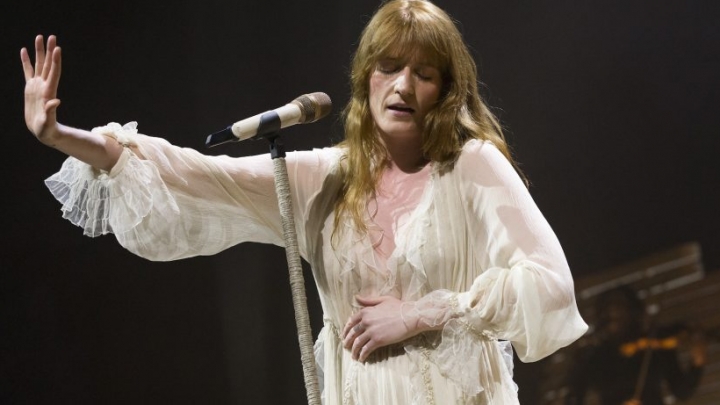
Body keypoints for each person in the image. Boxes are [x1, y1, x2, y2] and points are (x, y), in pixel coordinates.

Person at [20, 0, 588, 403]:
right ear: (366, 78)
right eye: (389, 67)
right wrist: (61, 136)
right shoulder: (323, 177)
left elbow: (550, 285)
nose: (403, 86)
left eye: (424, 73)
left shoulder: (470, 165)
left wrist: (419, 313)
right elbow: (191, 175)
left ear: (445, 90)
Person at [564, 286, 706, 405]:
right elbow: (574, 399)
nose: (613, 314)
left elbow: (682, 391)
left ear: (633, 313)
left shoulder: (655, 345)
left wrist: (697, 362)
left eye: (620, 310)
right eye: (609, 315)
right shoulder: (595, 358)